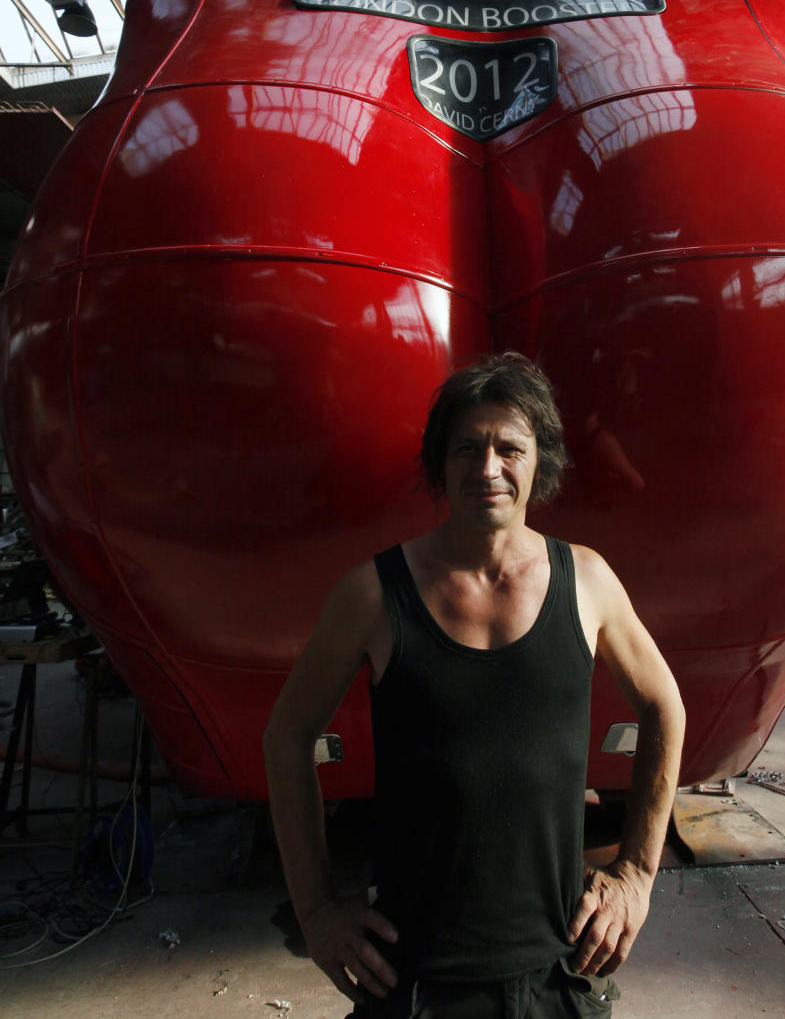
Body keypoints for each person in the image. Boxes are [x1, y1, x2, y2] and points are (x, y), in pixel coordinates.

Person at [264, 352, 685, 1017]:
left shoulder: (589, 582)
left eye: (509, 448)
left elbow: (665, 707)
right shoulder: (374, 595)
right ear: (441, 463)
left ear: (538, 461)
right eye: (468, 448)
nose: (488, 469)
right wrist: (316, 908)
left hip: (558, 971)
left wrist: (636, 872)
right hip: (411, 982)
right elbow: (287, 736)